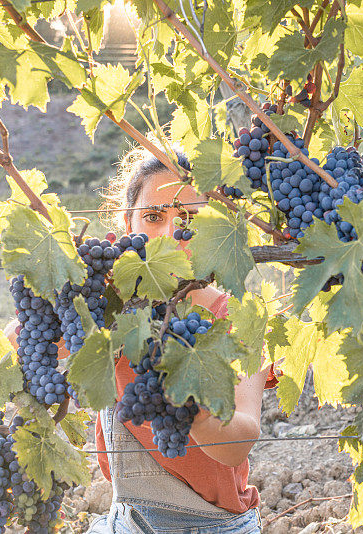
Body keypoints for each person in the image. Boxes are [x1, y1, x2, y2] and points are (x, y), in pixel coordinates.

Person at [82, 145, 278, 533]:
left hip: (216, 526)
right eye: (153, 216)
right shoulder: (108, 307)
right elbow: (34, 350)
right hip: (129, 519)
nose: (171, 233)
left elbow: (240, 440)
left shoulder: (240, 319)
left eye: (189, 218)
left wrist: (197, 414)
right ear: (127, 223)